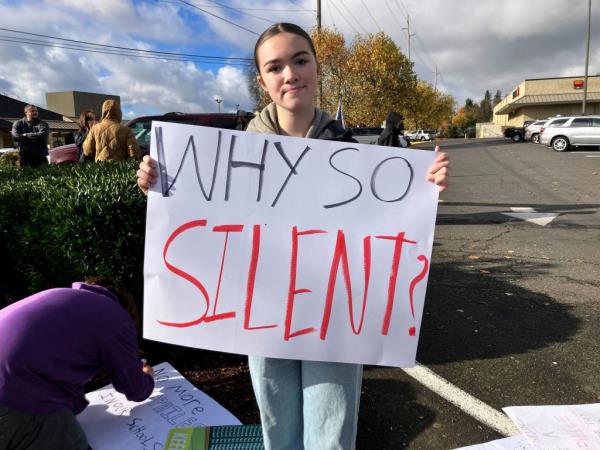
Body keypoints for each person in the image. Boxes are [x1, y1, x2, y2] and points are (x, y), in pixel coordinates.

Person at [136, 22, 449, 450]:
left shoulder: (352, 153)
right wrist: (158, 180)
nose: (290, 74)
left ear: (317, 68)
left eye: (300, 60)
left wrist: (425, 187)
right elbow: (199, 217)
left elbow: (385, 221)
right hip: (264, 312)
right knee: (276, 421)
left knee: (332, 427)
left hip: (332, 315)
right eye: (276, 66)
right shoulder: (235, 151)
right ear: (263, 82)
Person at [0, 277, 155, 450]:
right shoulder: (115, 317)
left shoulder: (63, 296)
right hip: (13, 392)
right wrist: (147, 377)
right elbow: (135, 389)